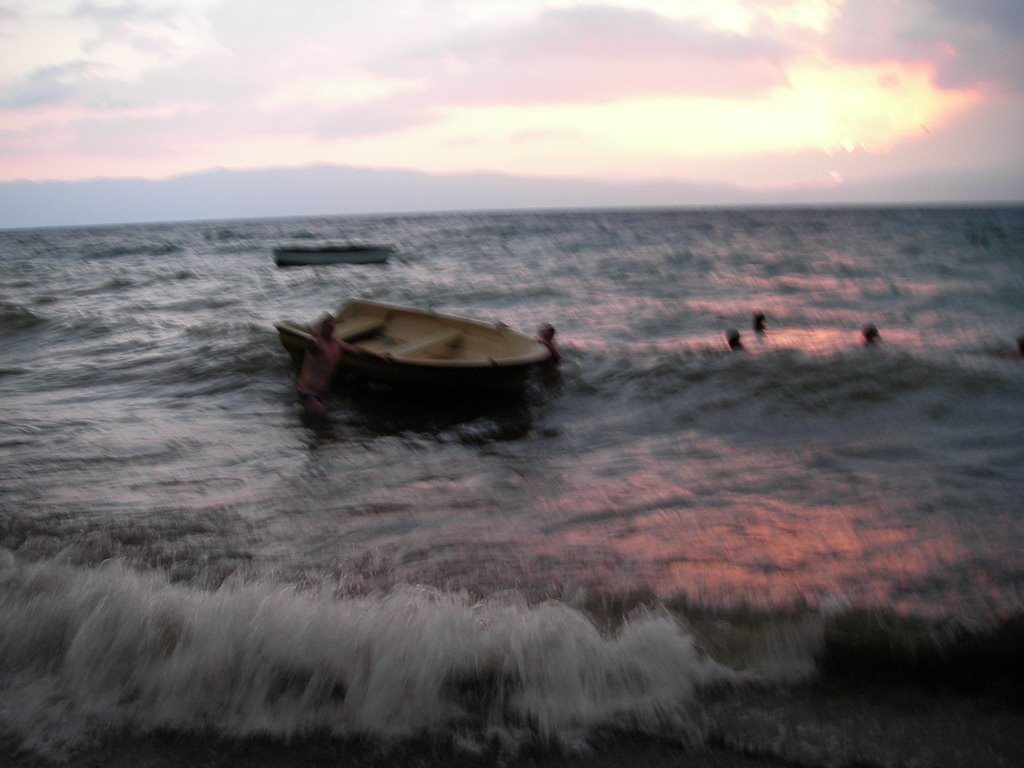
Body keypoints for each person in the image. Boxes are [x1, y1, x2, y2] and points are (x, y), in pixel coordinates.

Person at [297, 314, 370, 417]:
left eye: (331, 323)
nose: (329, 325)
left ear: (334, 327)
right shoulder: (318, 342)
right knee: (322, 416)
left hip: (318, 394)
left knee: (319, 420)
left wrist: (379, 355)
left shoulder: (336, 342)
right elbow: (313, 347)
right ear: (320, 327)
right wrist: (310, 344)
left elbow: (357, 351)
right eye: (326, 323)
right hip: (307, 393)